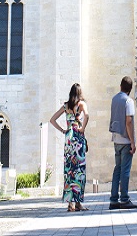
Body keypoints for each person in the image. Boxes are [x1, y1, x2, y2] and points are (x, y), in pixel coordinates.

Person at [49, 83, 89, 212]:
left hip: (69, 138)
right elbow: (87, 116)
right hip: (78, 137)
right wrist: (82, 128)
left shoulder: (66, 106)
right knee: (79, 170)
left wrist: (63, 130)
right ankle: (78, 203)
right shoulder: (81, 104)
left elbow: (52, 119)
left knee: (69, 170)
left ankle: (70, 204)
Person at [109, 76, 137, 210]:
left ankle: (114, 199)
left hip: (116, 138)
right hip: (125, 140)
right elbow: (128, 122)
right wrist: (133, 142)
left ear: (120, 86)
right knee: (125, 170)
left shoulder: (114, 99)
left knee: (117, 169)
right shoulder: (128, 101)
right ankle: (125, 199)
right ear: (130, 89)